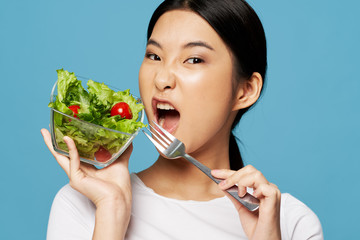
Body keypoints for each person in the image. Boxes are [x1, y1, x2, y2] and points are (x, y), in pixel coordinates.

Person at [41, 0, 323, 239]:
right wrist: (112, 212)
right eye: (154, 56)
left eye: (194, 60)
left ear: (245, 90)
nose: (162, 78)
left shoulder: (291, 222)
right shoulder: (85, 204)